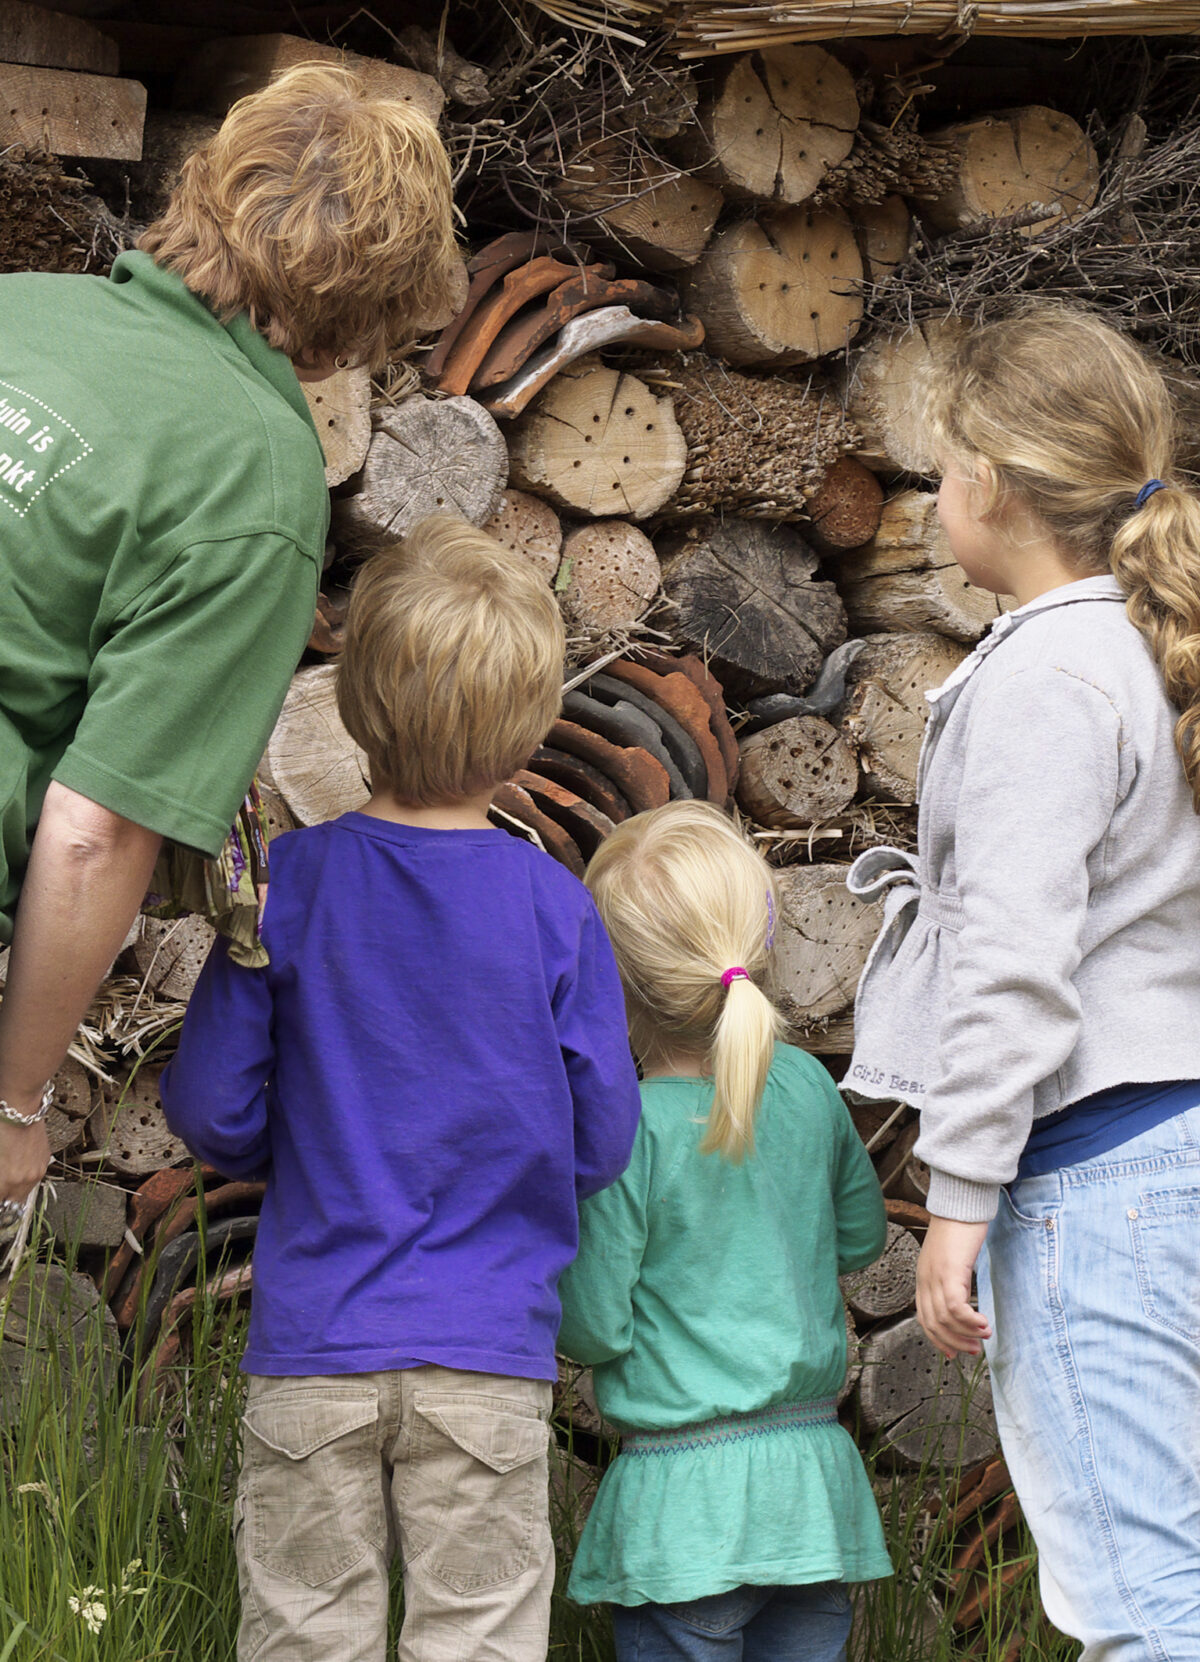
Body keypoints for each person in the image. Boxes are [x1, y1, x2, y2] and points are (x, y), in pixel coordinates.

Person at [162, 514, 643, 1662]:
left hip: (317, 1343)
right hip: (487, 1349)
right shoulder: (554, 909)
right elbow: (602, 1141)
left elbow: (215, 1119)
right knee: (477, 1638)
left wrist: (316, 1130)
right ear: (529, 731)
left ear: (354, 703)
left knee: (302, 1634)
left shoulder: (291, 890)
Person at [0, 64, 460, 1226]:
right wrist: (13, 1101)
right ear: (370, 304)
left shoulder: (17, 308)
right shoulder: (253, 478)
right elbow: (98, 829)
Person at [844, 304, 1200, 1659]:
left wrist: (962, 1197)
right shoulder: (1152, 648)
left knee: (1141, 1599)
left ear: (990, 481)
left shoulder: (1048, 675)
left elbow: (1012, 961)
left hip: (1104, 1182)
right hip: (1180, 1138)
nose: (935, 501)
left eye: (941, 473)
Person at [557, 800, 892, 1662]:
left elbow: (594, 1326)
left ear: (615, 980)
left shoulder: (625, 1130)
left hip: (686, 1512)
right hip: (811, 1494)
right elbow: (857, 1242)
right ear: (763, 938)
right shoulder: (811, 1092)